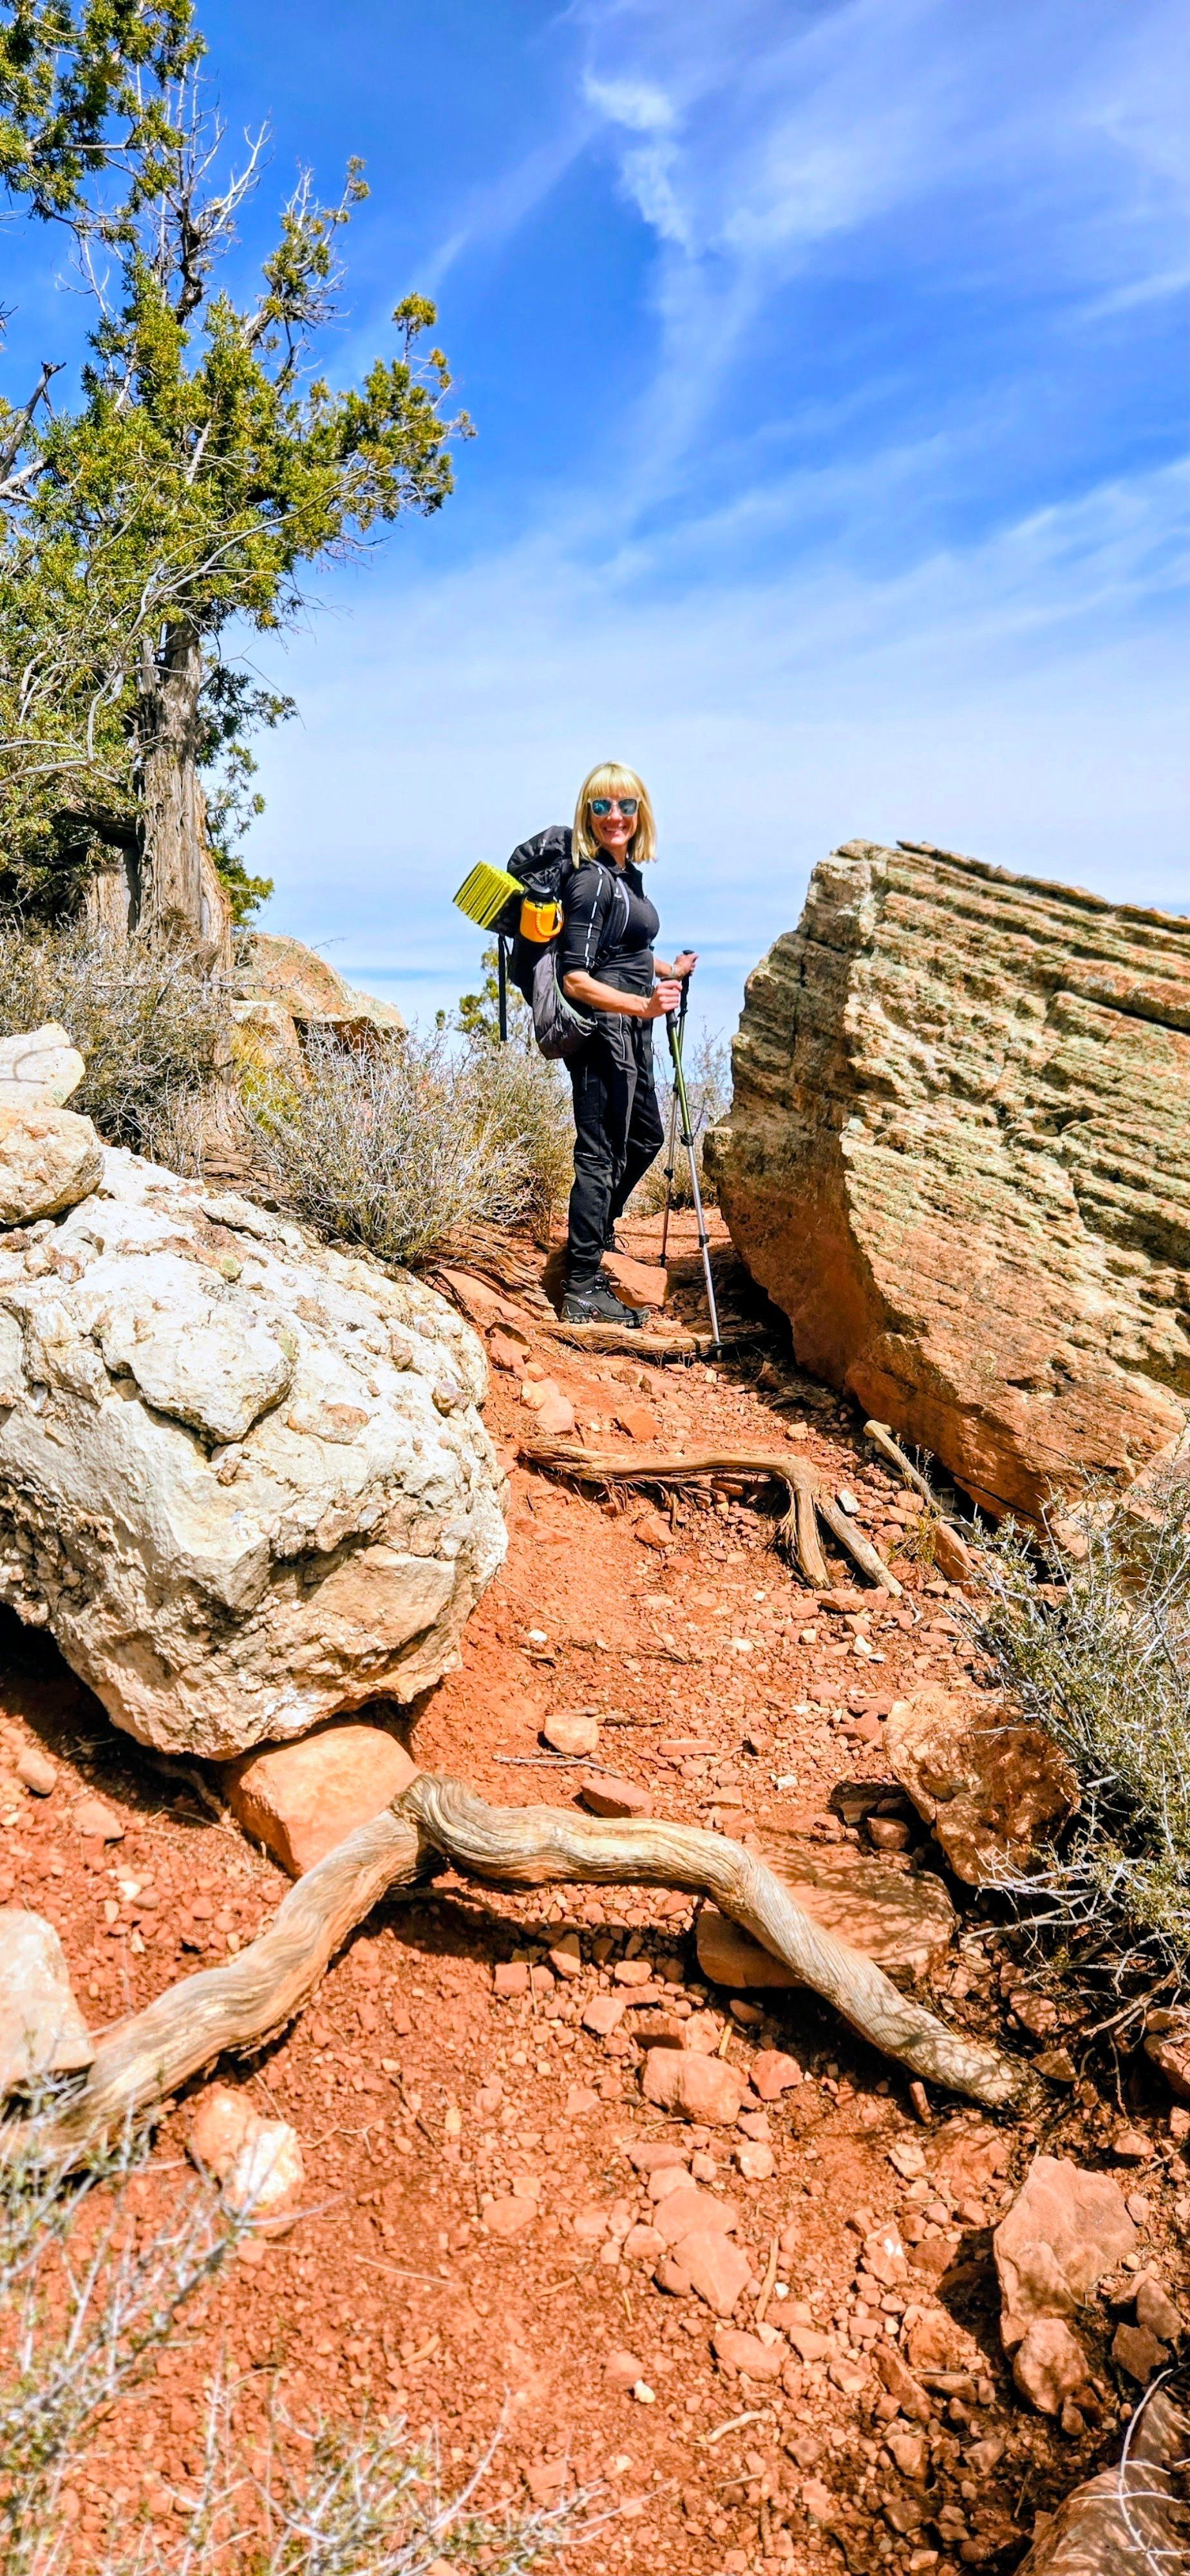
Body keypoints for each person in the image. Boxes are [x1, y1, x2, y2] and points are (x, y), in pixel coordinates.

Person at [556, 761, 695, 1326]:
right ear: (587, 814)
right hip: (601, 1037)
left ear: (641, 814)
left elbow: (625, 949)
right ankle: (582, 1286)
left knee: (644, 1137)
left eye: (627, 806)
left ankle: (597, 1234)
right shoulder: (590, 881)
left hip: (631, 1036)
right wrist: (642, 1005)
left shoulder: (625, 876)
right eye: (603, 806)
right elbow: (575, 977)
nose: (616, 816)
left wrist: (669, 968)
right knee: (599, 1154)